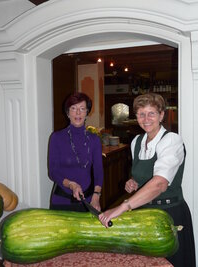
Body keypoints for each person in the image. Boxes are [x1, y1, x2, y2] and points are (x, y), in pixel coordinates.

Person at [99, 93, 196, 267]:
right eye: (141, 114)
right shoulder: (137, 141)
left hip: (170, 214)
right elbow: (143, 176)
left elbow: (159, 183)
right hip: (145, 213)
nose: (146, 119)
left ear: (161, 115)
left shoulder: (171, 141)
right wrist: (133, 182)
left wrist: (123, 206)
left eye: (151, 113)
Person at [48, 92, 103, 212]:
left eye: (82, 109)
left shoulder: (94, 139)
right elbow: (53, 172)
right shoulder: (56, 137)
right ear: (68, 113)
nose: (78, 113)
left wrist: (96, 196)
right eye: (74, 108)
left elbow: (98, 171)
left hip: (87, 201)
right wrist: (71, 184)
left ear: (87, 113)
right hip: (61, 201)